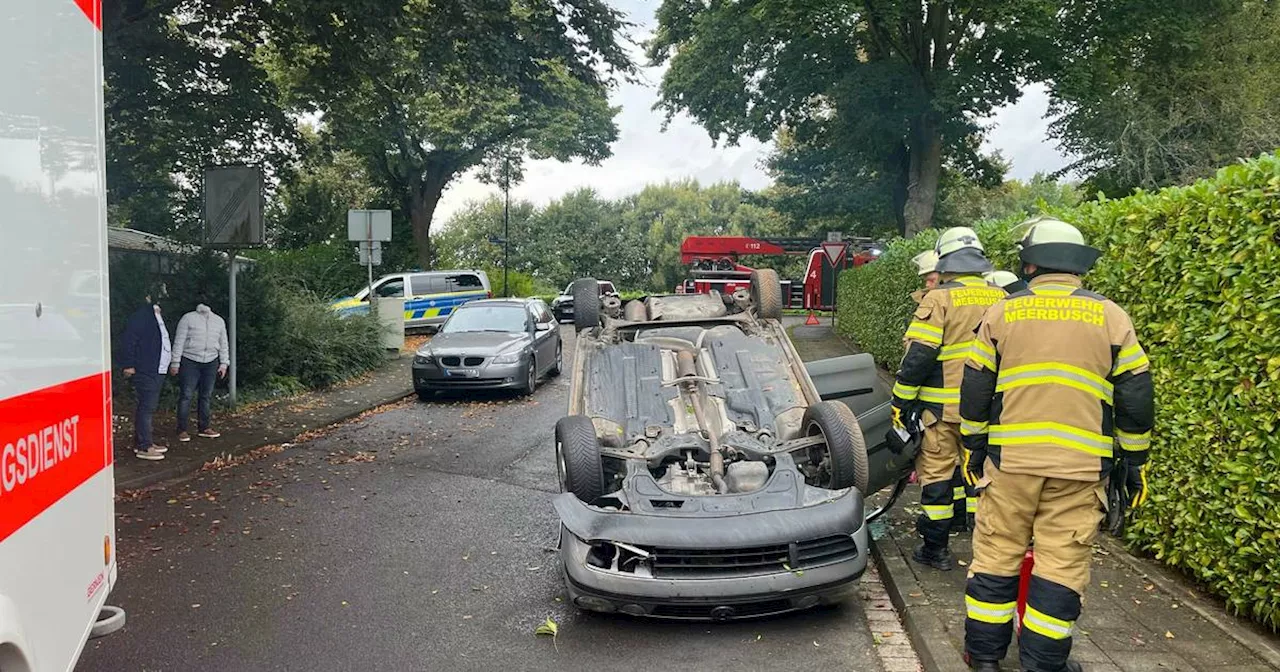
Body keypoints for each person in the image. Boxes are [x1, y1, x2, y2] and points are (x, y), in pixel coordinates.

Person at [959, 218, 1154, 672]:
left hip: (1010, 463)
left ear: (1029, 263)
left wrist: (973, 445)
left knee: (996, 554)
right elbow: (1136, 392)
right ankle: (1043, 665)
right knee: (1061, 565)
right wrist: (1134, 459)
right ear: (1077, 266)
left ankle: (985, 659)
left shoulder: (1003, 312)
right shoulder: (1110, 315)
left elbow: (975, 385)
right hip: (1081, 469)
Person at [890, 227, 1005, 569]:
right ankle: (980, 544)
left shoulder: (939, 299)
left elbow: (919, 358)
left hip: (941, 411)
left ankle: (935, 551)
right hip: (988, 413)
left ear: (946, 261)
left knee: (938, 476)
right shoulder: (1004, 299)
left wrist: (901, 402)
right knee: (979, 473)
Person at [118, 286, 171, 461]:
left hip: (157, 368)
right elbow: (129, 339)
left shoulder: (156, 316)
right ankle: (144, 446)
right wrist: (129, 364)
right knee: (146, 407)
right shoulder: (142, 316)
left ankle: (143, 441)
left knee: (148, 406)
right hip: (147, 367)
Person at [170, 297, 229, 442]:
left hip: (211, 361)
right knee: (186, 395)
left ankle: (204, 427)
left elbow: (223, 343)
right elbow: (179, 340)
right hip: (190, 360)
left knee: (206, 396)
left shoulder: (219, 321)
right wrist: (175, 362)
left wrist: (224, 363)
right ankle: (181, 429)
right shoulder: (188, 318)